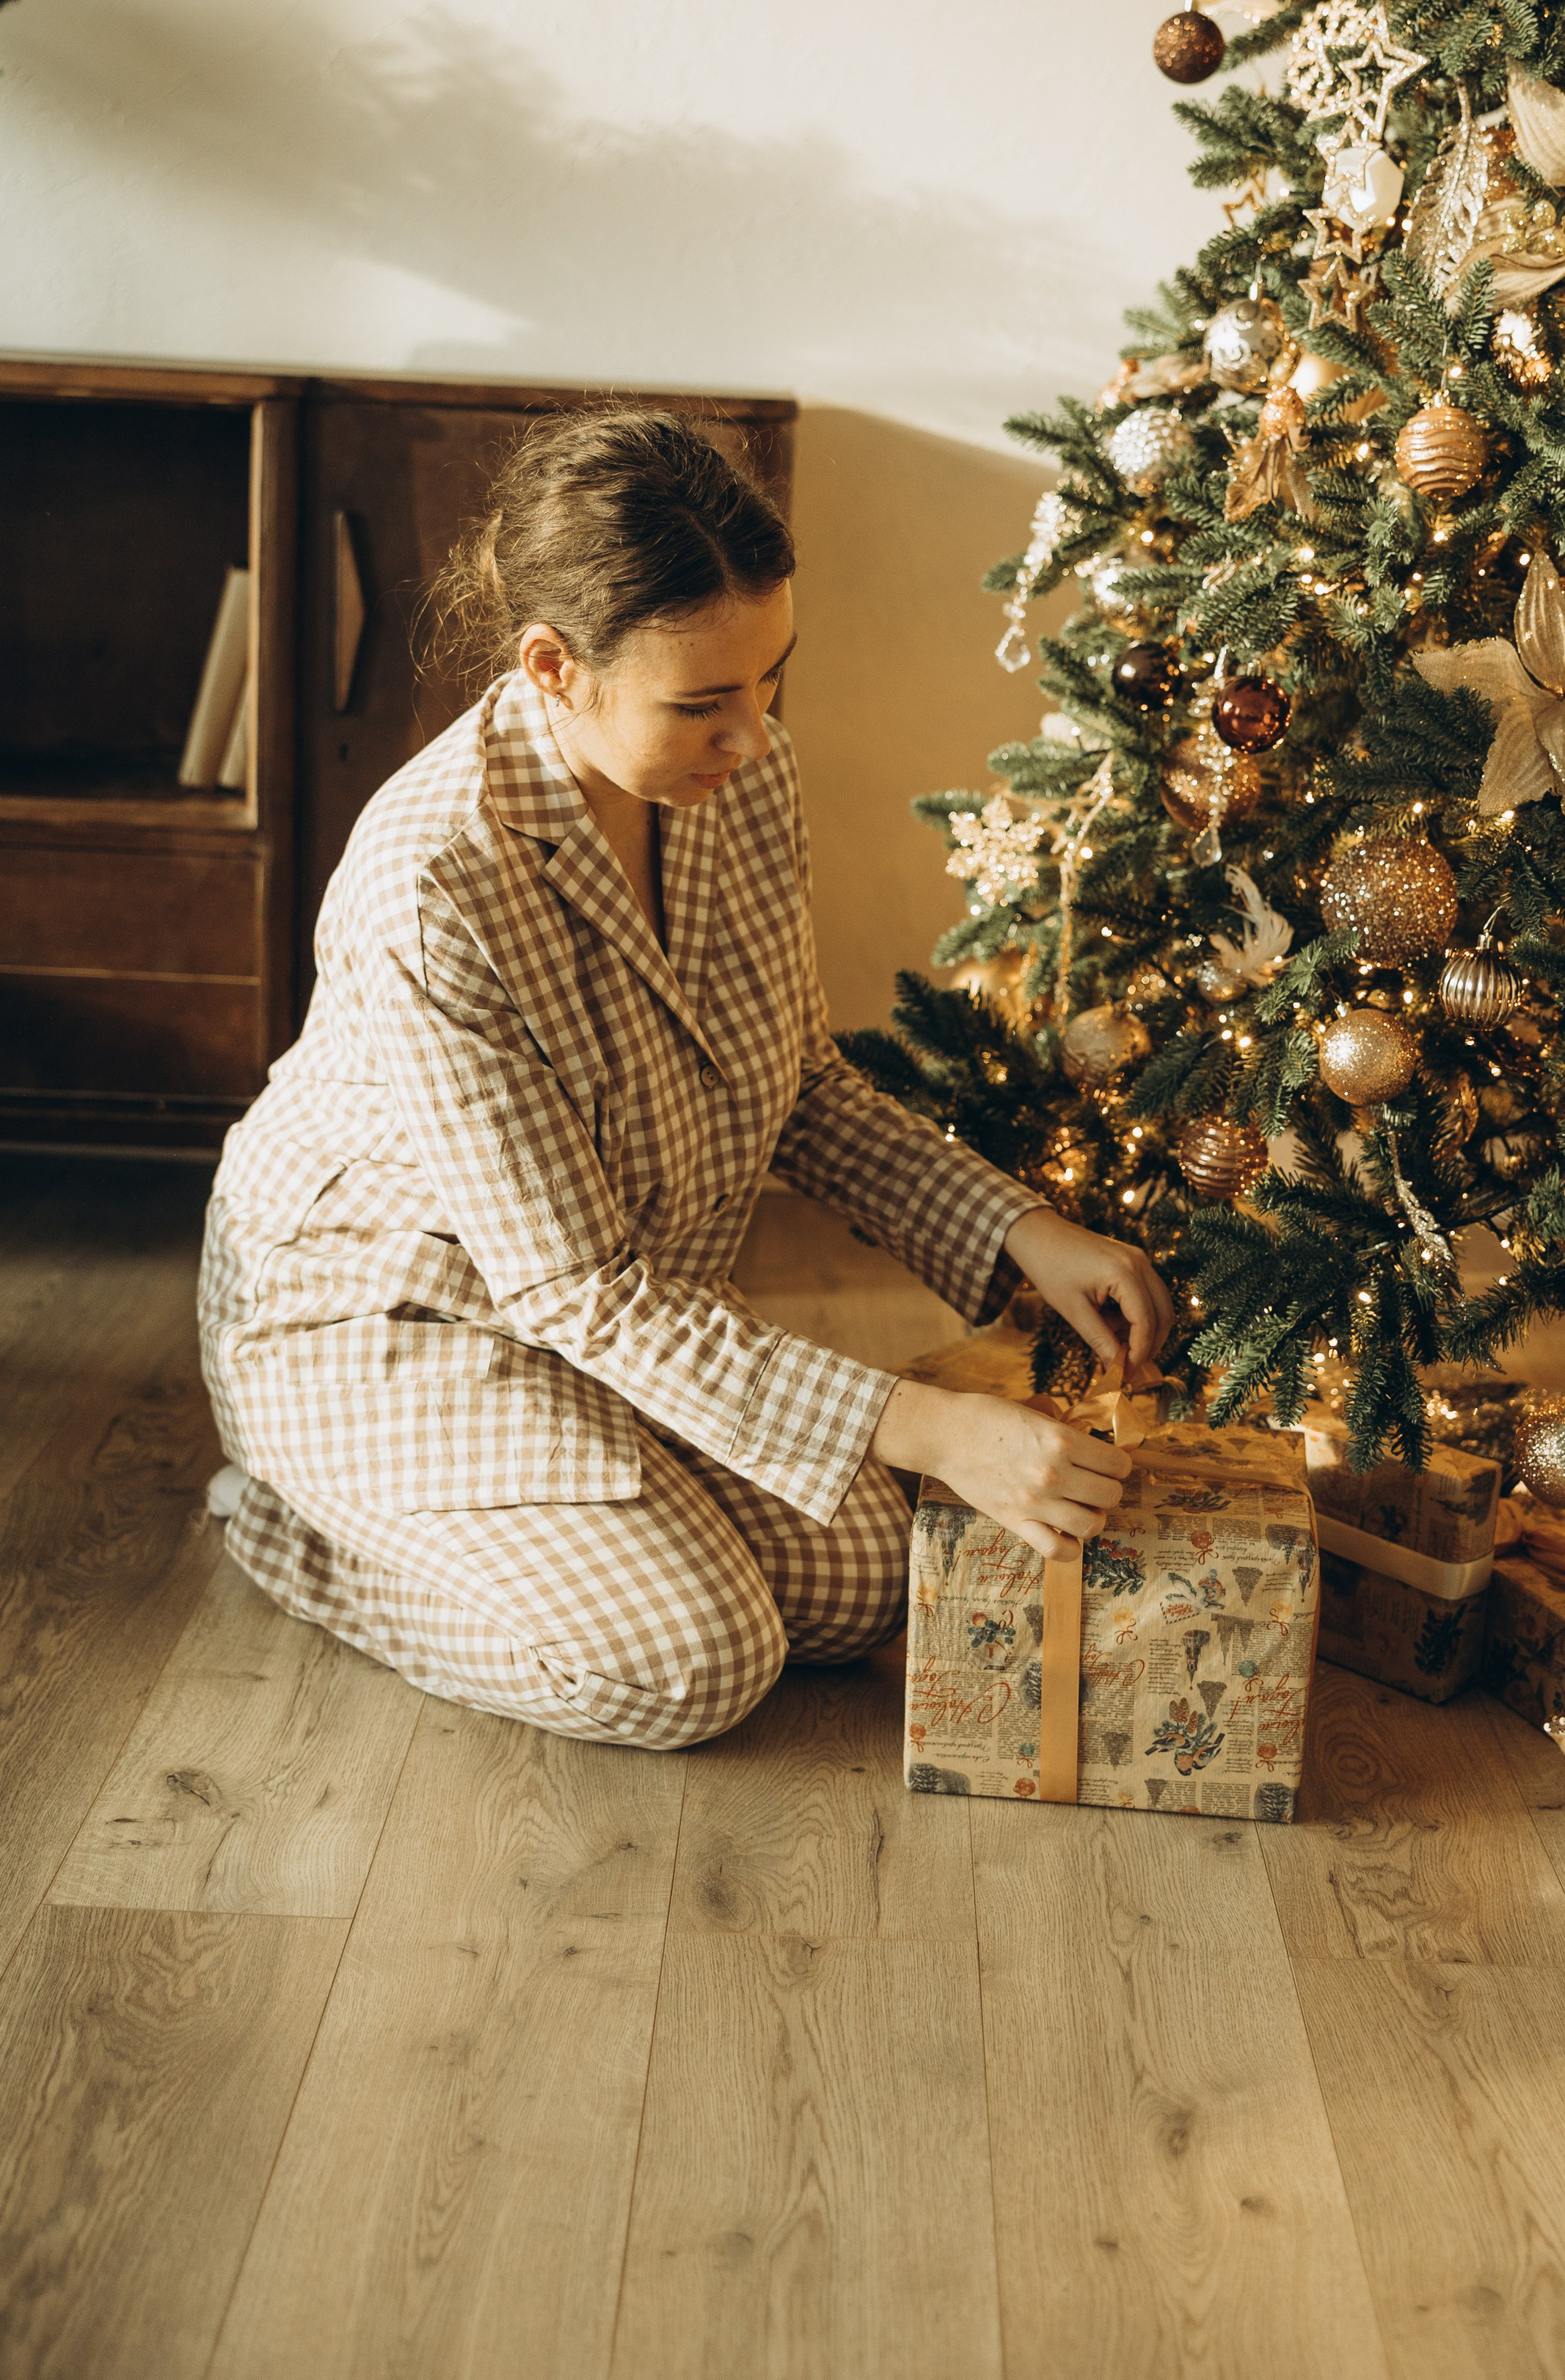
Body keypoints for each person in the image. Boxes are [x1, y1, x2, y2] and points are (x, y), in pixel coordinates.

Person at [199, 408, 1173, 1749]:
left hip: (607, 1313)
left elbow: (800, 1088)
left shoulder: (735, 781)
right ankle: (295, 1524)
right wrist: (936, 1429)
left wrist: (1021, 1228)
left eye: (771, 677)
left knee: (858, 1582)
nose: (754, 731)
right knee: (691, 1665)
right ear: (556, 667)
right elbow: (577, 1289)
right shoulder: (432, 887)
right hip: (384, 1319)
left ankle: (591, 1498)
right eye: (702, 701)